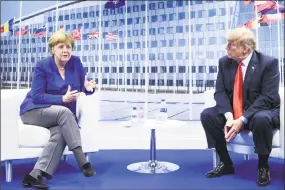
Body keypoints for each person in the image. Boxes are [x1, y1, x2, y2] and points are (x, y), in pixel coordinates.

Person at [200, 27, 280, 186]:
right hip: (234, 111)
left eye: (231, 45)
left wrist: (242, 119)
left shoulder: (268, 63)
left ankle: (263, 167)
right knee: (207, 115)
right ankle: (226, 163)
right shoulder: (224, 62)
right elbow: (220, 92)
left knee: (261, 119)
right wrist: (229, 116)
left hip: (261, 110)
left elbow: (268, 97)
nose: (226, 47)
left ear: (246, 49)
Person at [19, 31, 96, 188]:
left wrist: (88, 88)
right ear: (52, 49)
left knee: (61, 130)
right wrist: (61, 99)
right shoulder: (42, 66)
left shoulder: (76, 63)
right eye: (61, 47)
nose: (65, 50)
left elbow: (81, 88)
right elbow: (37, 96)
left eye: (68, 47)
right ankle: (82, 160)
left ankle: (34, 175)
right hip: (34, 111)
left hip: (59, 116)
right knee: (64, 112)